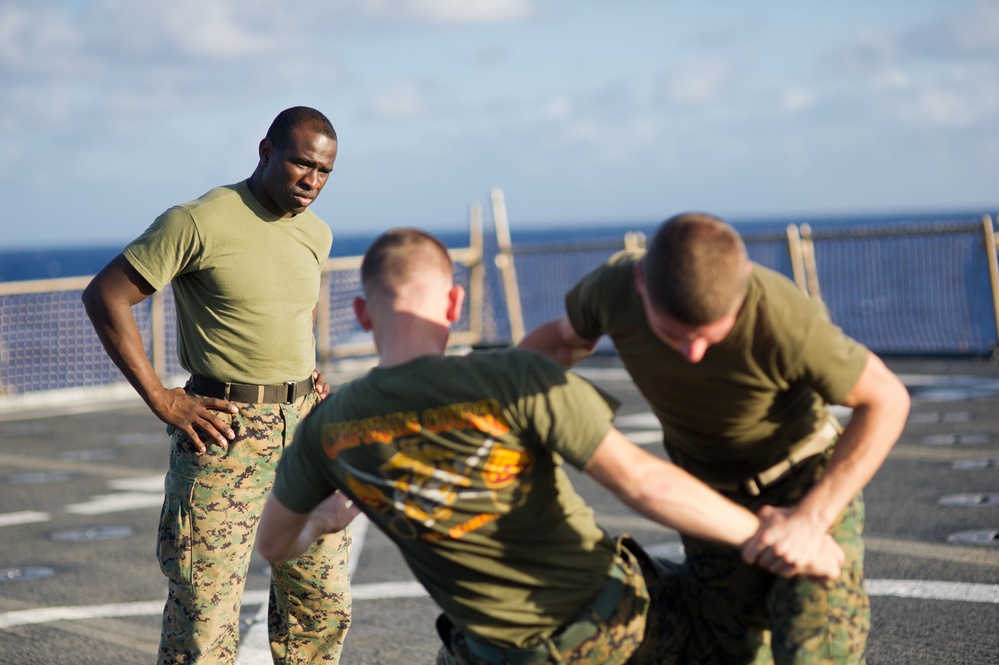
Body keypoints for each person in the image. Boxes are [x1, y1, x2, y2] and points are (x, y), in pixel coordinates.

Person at [254, 227, 845, 665]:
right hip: (604, 626)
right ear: (455, 305)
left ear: (359, 313)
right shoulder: (513, 379)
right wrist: (777, 536)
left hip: (494, 654)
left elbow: (275, 544)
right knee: (730, 620)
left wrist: (328, 519)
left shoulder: (327, 428)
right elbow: (643, 483)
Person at [518, 212, 911, 664]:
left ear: (742, 285)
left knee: (814, 650)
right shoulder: (614, 289)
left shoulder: (783, 319)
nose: (693, 353)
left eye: (710, 334)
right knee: (730, 652)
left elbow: (887, 400)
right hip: (708, 499)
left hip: (804, 483)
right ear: (641, 283)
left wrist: (810, 519)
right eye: (674, 334)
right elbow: (562, 342)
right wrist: (484, 392)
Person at [82, 106, 351, 664]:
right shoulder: (199, 220)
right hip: (223, 436)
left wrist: (303, 373)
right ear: (265, 151)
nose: (313, 182)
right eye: (302, 164)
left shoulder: (317, 233)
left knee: (320, 607)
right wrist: (161, 397)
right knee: (204, 618)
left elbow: (289, 312)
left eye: (325, 171)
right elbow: (106, 294)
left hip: (304, 431)